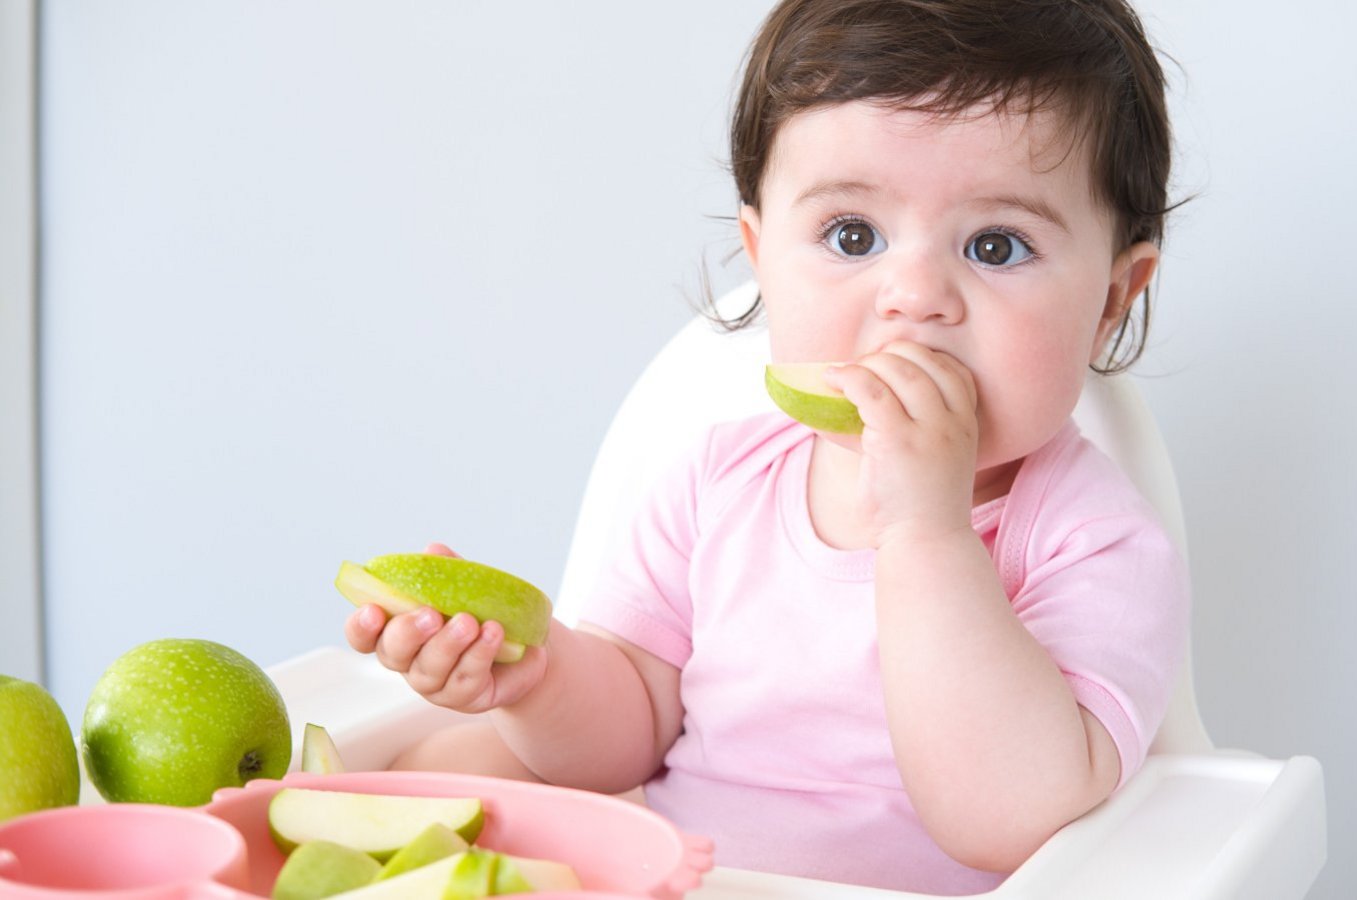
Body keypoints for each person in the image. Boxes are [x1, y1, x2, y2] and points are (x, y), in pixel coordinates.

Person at [345, 0, 1189, 893]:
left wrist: (928, 531)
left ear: (1111, 298)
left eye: (995, 244)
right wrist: (530, 677)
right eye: (852, 236)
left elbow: (1006, 818)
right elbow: (627, 730)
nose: (914, 296)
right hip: (688, 883)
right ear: (762, 256)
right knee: (441, 763)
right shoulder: (718, 483)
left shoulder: (1092, 541)